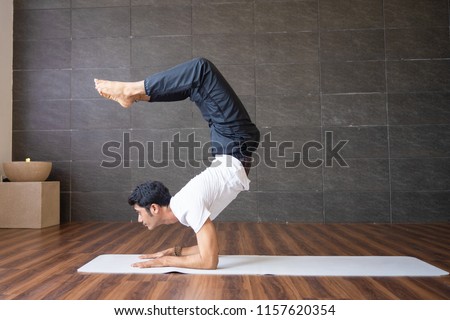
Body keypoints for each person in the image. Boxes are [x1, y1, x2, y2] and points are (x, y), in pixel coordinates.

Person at [95, 58, 260, 270]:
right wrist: (174, 251)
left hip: (233, 142)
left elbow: (208, 260)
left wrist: (165, 261)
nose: (138, 220)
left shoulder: (186, 206)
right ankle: (133, 94)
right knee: (197, 79)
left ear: (153, 208)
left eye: (138, 213)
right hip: (233, 143)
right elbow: (209, 253)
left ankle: (133, 92)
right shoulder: (185, 208)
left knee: (200, 73)